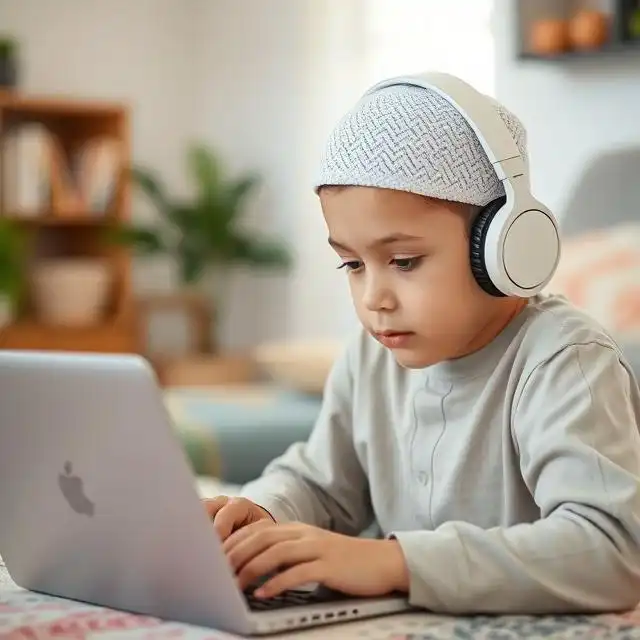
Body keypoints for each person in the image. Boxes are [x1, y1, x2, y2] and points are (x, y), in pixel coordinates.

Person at [203, 72, 640, 615]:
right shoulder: (371, 356)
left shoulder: (563, 360)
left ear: (503, 247)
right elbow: (323, 481)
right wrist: (262, 515)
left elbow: (613, 550)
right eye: (353, 264)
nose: (374, 297)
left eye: (403, 261)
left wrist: (391, 563)